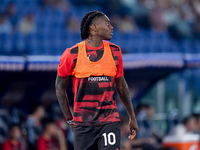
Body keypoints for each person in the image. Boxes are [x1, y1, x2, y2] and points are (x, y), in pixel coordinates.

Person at [55, 11, 139, 150]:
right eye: (107, 24)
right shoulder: (71, 54)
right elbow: (59, 88)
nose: (112, 27)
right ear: (94, 28)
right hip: (83, 124)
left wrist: (132, 117)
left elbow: (122, 86)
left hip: (109, 121)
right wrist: (70, 120)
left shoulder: (115, 52)